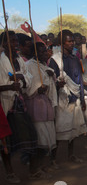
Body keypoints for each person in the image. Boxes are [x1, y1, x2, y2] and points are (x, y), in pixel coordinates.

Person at [0, 31, 46, 182]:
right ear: (4, 44)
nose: (15, 44)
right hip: (5, 103)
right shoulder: (1, 61)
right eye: (11, 41)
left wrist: (20, 78)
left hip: (19, 102)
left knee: (31, 135)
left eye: (15, 41)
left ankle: (33, 169)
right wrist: (9, 87)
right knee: (6, 140)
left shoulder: (19, 59)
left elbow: (28, 77)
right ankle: (10, 173)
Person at [50, 30, 87, 166]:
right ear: (62, 43)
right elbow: (50, 81)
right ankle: (53, 159)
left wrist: (82, 98)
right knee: (60, 130)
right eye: (69, 41)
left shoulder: (75, 58)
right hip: (62, 98)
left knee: (73, 129)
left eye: (73, 41)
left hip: (75, 97)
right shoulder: (55, 60)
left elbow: (80, 80)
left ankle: (71, 155)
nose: (72, 43)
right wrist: (57, 84)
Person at [25, 42, 58, 170]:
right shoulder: (29, 66)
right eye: (42, 51)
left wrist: (52, 77)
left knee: (48, 133)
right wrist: (36, 90)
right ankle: (36, 167)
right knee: (40, 136)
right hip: (35, 103)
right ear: (35, 53)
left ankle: (43, 164)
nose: (45, 54)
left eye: (45, 51)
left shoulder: (45, 66)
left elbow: (51, 81)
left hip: (46, 102)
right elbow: (27, 85)